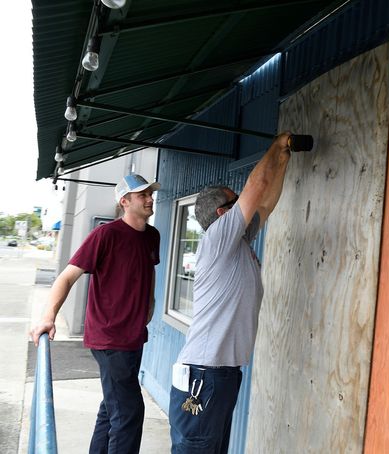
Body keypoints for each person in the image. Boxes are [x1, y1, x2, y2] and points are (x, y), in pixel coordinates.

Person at [169, 132, 292, 453]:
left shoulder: (237, 244)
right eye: (236, 202)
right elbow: (257, 188)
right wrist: (277, 146)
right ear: (222, 215)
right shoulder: (217, 239)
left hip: (220, 374)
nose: (244, 206)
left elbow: (265, 203)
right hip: (204, 375)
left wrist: (284, 161)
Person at [30, 173, 161, 454]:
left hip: (134, 337)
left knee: (112, 406)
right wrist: (48, 316)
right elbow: (66, 278)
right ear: (125, 202)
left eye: (150, 194)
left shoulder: (152, 236)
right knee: (128, 413)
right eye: (143, 195)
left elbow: (148, 272)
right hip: (109, 338)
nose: (150, 199)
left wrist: (148, 307)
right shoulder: (105, 235)